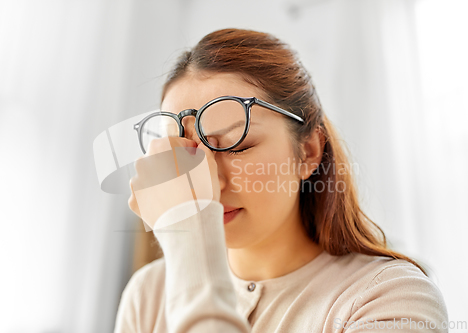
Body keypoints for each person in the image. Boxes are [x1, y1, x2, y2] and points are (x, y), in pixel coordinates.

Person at [114, 28, 448, 333]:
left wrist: (186, 228)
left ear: (308, 152)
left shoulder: (389, 298)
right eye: (184, 154)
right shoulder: (148, 295)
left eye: (238, 144)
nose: (206, 184)